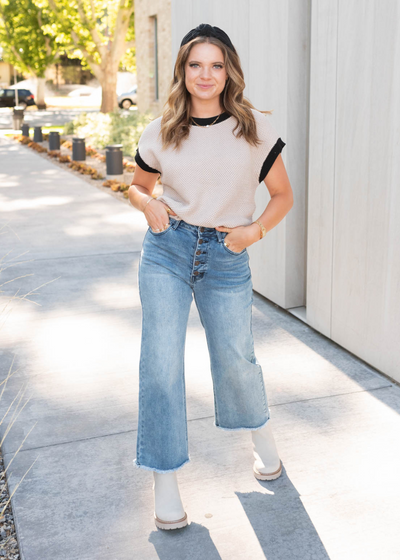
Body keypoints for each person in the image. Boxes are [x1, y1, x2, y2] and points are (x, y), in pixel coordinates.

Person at [128, 23, 293, 531]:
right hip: (167, 252)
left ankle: (261, 436)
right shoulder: (160, 130)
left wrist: (254, 232)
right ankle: (165, 480)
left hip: (226, 256)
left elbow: (283, 196)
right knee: (160, 364)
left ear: (229, 71)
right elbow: (136, 186)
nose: (206, 74)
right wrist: (148, 205)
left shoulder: (254, 129)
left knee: (235, 358)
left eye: (216, 65)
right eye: (195, 64)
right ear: (183, 70)